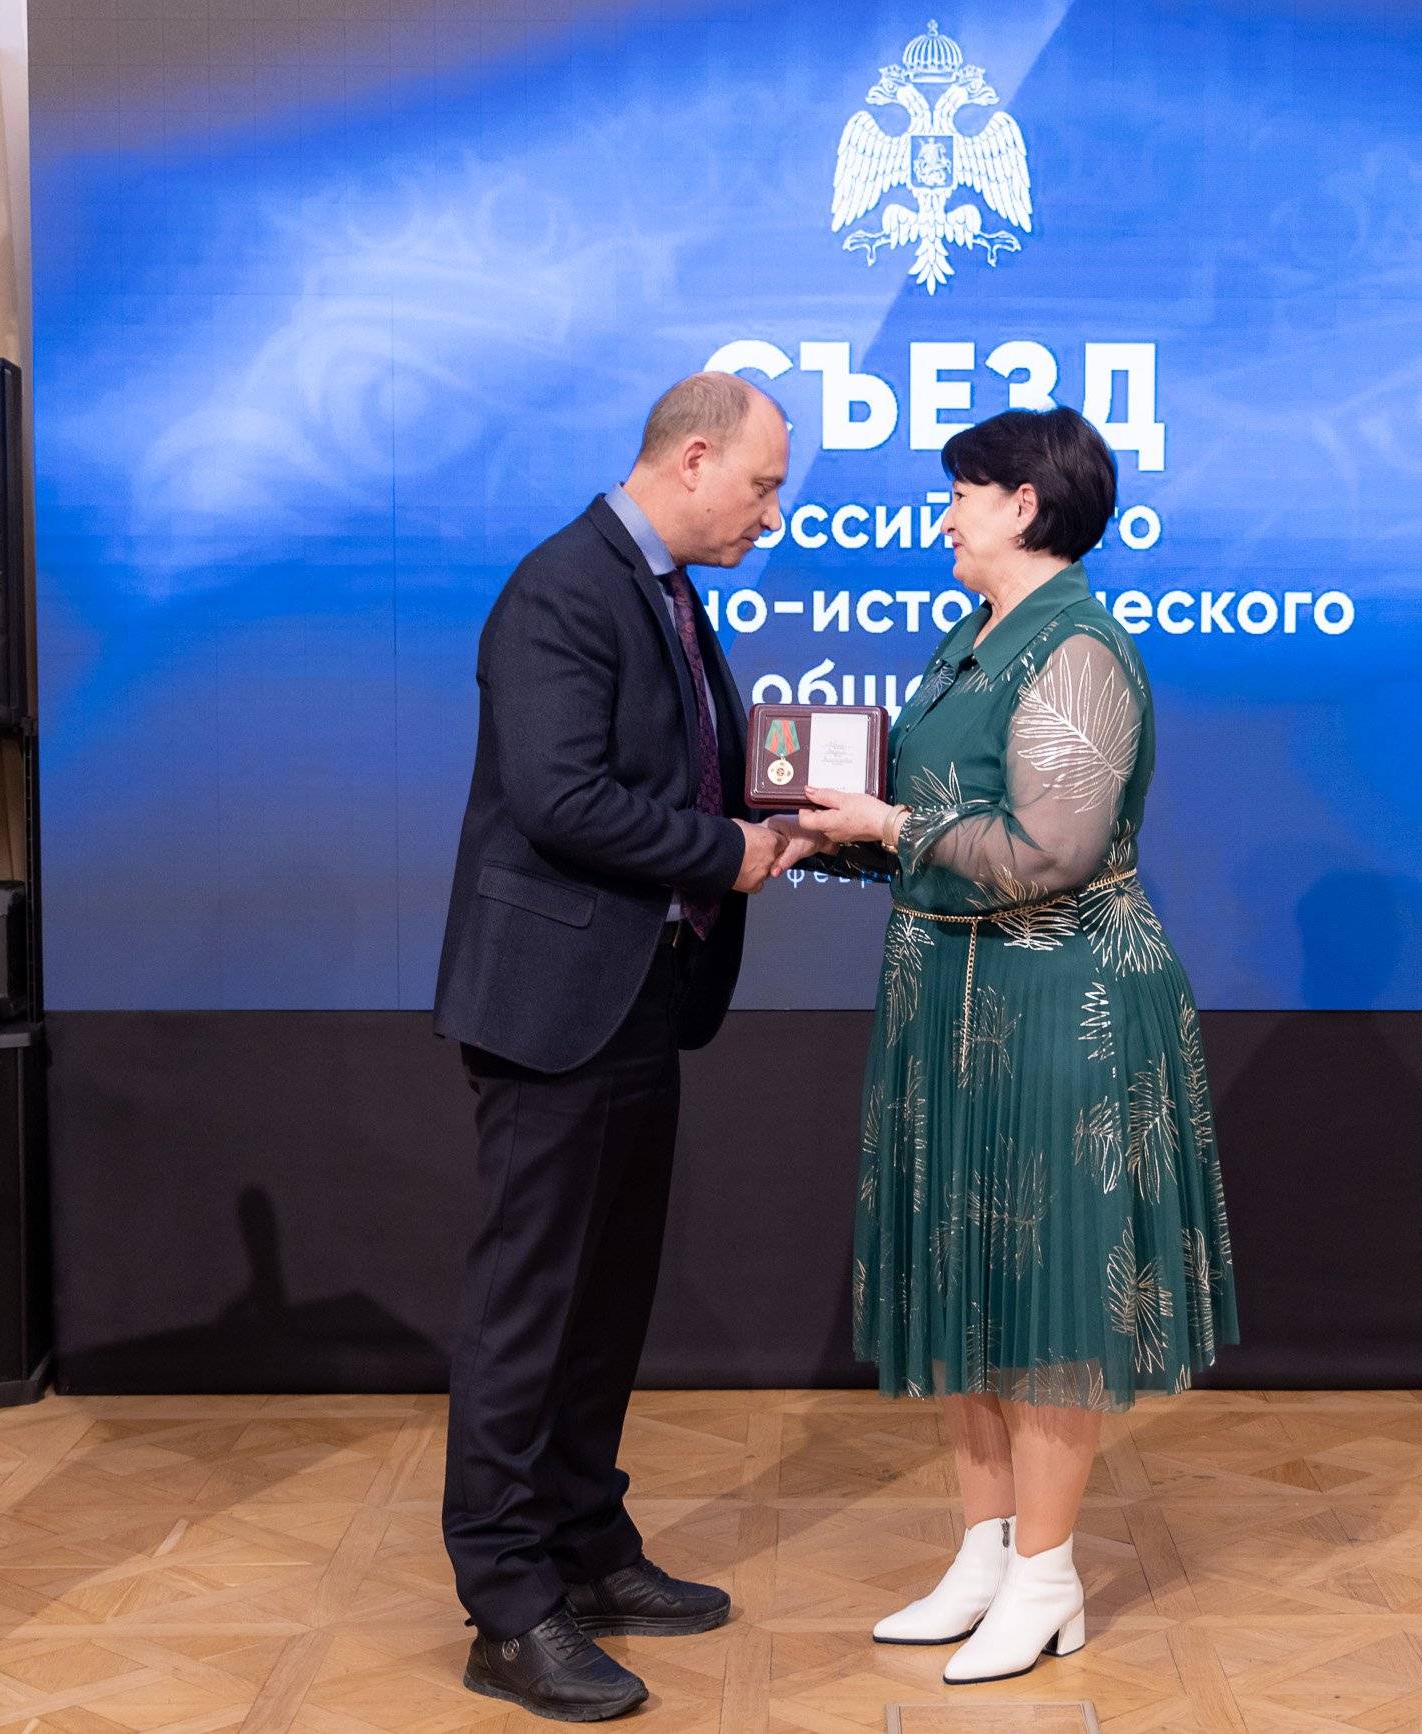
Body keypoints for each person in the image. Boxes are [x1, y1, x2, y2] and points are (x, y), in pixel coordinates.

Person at [772, 405, 1238, 1686]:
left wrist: (886, 826)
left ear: (1023, 506)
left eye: (961, 493)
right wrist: (839, 832)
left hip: (1057, 1004)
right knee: (968, 1275)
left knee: (1048, 1290)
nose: (945, 515)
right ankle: (983, 1555)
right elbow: (942, 816)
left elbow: (1050, 853)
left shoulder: (1074, 647)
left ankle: (1046, 1577)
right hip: (953, 999)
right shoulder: (971, 636)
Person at [431, 372, 790, 1722]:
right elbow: (559, 796)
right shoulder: (562, 588)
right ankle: (505, 1603)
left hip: (639, 988)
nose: (770, 515)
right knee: (530, 1305)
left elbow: (670, 764)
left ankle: (584, 1543)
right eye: (760, 486)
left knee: (605, 1296)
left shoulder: (664, 589)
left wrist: (791, 811)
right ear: (692, 459)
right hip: (552, 1003)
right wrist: (726, 850)